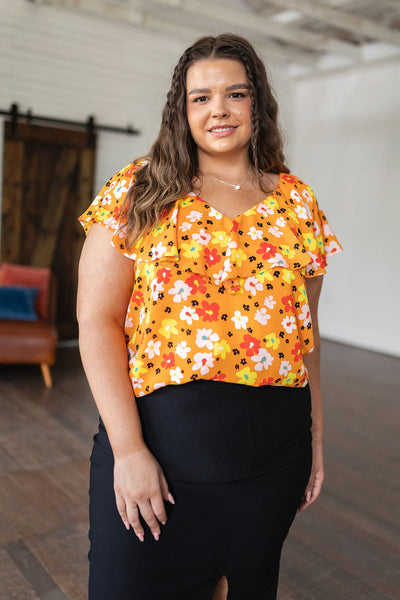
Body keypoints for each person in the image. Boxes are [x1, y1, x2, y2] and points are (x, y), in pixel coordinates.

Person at [77, 33, 342, 600]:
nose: (218, 109)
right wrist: (128, 450)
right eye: (201, 98)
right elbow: (96, 322)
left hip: (276, 456)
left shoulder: (297, 204)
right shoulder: (140, 189)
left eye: (235, 94)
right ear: (181, 109)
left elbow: (306, 337)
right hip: (161, 453)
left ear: (257, 104)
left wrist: (317, 437)